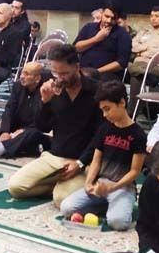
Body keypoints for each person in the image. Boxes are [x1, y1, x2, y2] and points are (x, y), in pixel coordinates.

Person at [8, 44, 104, 206]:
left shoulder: (96, 91)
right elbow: (42, 127)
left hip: (83, 160)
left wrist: (80, 163)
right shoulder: (53, 89)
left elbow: (101, 135)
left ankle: (68, 187)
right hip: (55, 156)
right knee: (16, 187)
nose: (59, 78)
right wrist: (45, 102)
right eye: (55, 73)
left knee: (61, 200)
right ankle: (57, 186)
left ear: (77, 67)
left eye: (64, 73)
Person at [60, 80, 147, 231]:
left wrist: (113, 187)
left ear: (122, 103)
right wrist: (88, 183)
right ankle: (108, 206)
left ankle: (113, 207)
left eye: (108, 109)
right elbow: (96, 161)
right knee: (66, 208)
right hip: (100, 185)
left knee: (118, 223)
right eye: (102, 110)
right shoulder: (104, 129)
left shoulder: (138, 134)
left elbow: (135, 171)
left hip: (122, 187)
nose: (105, 115)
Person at [0, 61, 51, 159]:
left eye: (26, 74)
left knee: (30, 135)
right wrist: (5, 131)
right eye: (21, 73)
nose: (22, 76)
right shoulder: (18, 86)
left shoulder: (45, 91)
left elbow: (43, 121)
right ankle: (27, 148)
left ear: (37, 79)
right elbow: (9, 109)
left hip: (36, 130)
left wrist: (23, 131)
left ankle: (2, 149)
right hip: (18, 127)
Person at [74, 0, 131, 81]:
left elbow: (121, 63)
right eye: (107, 16)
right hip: (83, 71)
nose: (109, 21)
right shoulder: (89, 27)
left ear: (118, 18)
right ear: (102, 13)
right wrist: (96, 39)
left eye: (113, 18)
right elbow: (76, 48)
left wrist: (97, 72)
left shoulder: (123, 34)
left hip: (108, 75)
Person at [128, 5, 159, 89]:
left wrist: (140, 53)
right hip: (138, 63)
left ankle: (133, 70)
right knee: (137, 75)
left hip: (155, 66)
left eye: (157, 16)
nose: (153, 18)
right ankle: (140, 73)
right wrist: (147, 48)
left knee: (134, 74)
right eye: (151, 16)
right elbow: (132, 45)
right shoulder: (144, 32)